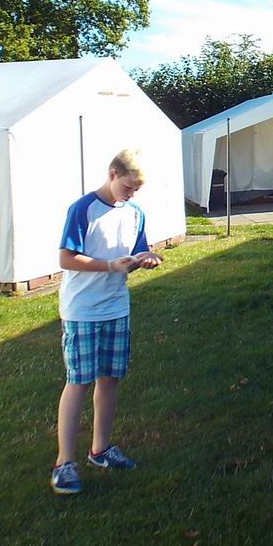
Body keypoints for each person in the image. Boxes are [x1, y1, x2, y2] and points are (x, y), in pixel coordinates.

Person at [50, 149, 163, 495]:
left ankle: (100, 449)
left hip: (116, 307)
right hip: (83, 309)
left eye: (136, 190)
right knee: (79, 381)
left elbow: (139, 249)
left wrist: (146, 258)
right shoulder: (83, 209)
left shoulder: (135, 212)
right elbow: (66, 258)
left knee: (110, 378)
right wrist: (109, 266)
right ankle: (64, 463)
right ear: (112, 173)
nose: (131, 195)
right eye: (128, 187)